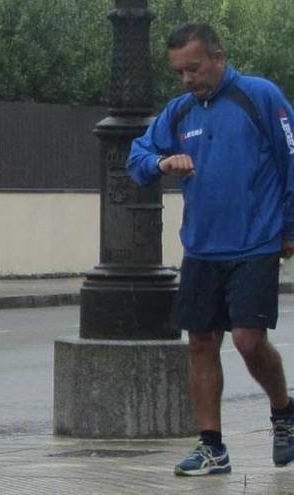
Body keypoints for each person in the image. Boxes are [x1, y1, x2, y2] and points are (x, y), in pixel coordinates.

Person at [127, 23, 294, 476]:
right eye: (179, 72)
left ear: (219, 58)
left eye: (194, 69)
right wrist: (162, 162)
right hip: (202, 247)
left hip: (255, 242)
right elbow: (136, 157)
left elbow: (291, 161)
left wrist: (290, 227)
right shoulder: (179, 113)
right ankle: (212, 448)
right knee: (201, 342)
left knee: (247, 340)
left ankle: (284, 412)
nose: (187, 79)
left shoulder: (259, 96)